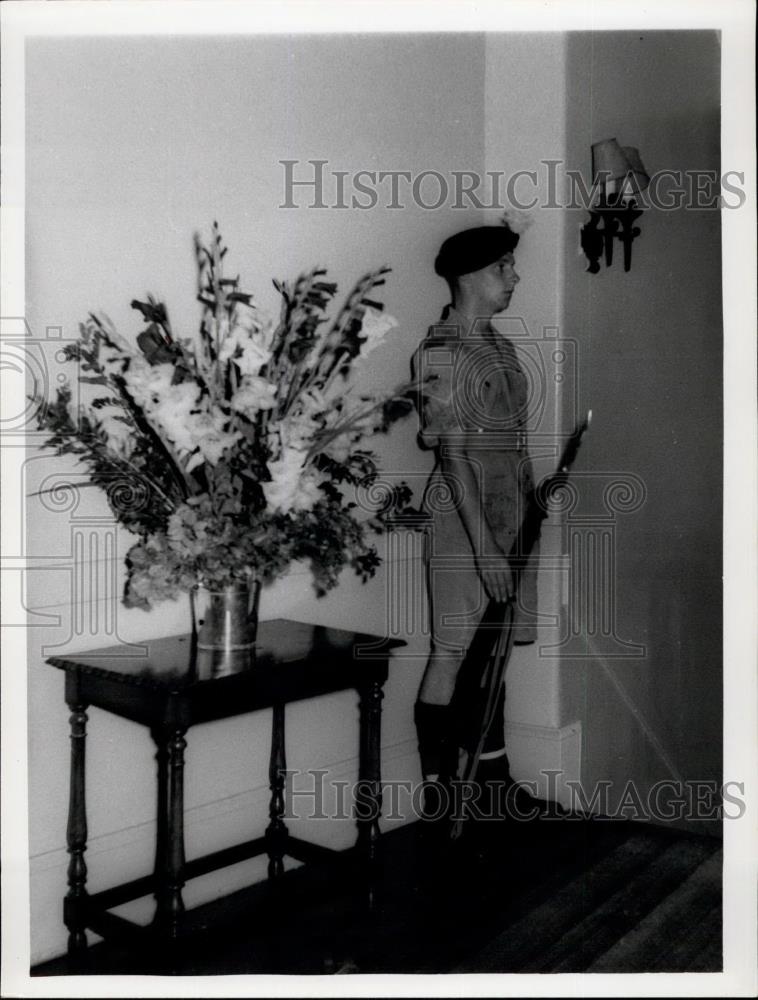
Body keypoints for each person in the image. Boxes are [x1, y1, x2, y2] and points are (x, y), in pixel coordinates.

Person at [411, 222, 539, 828]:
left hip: (511, 516)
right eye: (503, 268)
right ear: (467, 277)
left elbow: (509, 441)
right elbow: (454, 456)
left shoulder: (500, 347)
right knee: (454, 650)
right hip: (466, 523)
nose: (513, 278)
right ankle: (439, 794)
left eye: (511, 267)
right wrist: (486, 548)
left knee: (494, 651)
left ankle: (493, 782)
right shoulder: (442, 351)